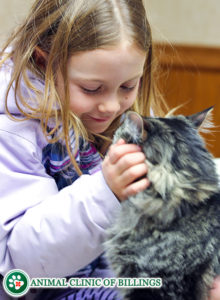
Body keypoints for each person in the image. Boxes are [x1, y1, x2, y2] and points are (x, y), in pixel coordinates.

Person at [0, 0, 219, 299]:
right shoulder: (13, 129)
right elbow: (19, 264)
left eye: (128, 87)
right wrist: (107, 192)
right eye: (92, 89)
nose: (112, 106)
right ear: (44, 62)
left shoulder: (129, 117)